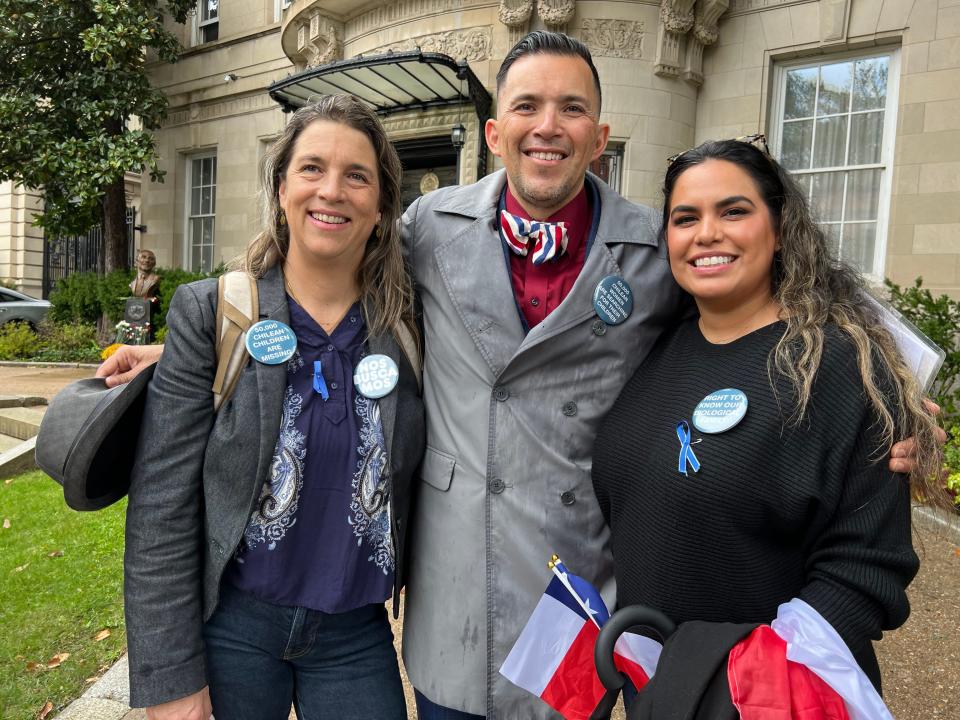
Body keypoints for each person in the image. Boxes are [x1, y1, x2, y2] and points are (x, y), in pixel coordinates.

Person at [99, 33, 940, 719]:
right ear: (495, 134)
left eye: (572, 108)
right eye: (526, 107)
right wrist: (189, 351)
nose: (549, 125)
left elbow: (754, 314)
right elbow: (332, 290)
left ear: (598, 138)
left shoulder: (657, 246)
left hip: (576, 587)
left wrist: (893, 393)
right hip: (454, 578)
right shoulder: (429, 226)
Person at [591, 138, 945, 702]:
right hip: (662, 692)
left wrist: (737, 687)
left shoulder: (836, 364)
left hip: (767, 698)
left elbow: (866, 571)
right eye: (686, 218)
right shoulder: (658, 345)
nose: (707, 233)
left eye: (733, 211)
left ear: (779, 229)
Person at [122, 95, 424, 720]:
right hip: (233, 630)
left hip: (355, 638)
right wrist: (170, 681)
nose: (332, 191)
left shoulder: (411, 327)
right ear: (282, 186)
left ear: (381, 204)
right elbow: (160, 508)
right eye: (312, 168)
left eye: (356, 175)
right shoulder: (212, 314)